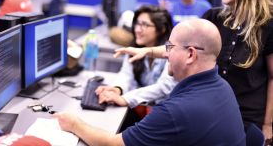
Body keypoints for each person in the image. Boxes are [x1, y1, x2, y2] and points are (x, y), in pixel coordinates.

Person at [114, 0, 273, 145]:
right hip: (212, 112)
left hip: (248, 117)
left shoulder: (268, 26)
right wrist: (147, 51)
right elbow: (180, 47)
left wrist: (268, 124)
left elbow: (272, 78)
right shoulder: (214, 17)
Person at [54, 18, 246, 146]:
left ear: (190, 54)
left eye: (169, 47)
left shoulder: (177, 110)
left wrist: (74, 124)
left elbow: (113, 144)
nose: (166, 53)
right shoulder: (222, 87)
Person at [96, 5, 175, 109]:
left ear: (162, 29)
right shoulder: (135, 47)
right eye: (137, 23)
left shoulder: (171, 50)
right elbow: (126, 74)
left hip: (165, 111)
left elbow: (164, 87)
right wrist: (117, 89)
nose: (137, 29)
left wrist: (125, 99)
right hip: (143, 108)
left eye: (145, 25)